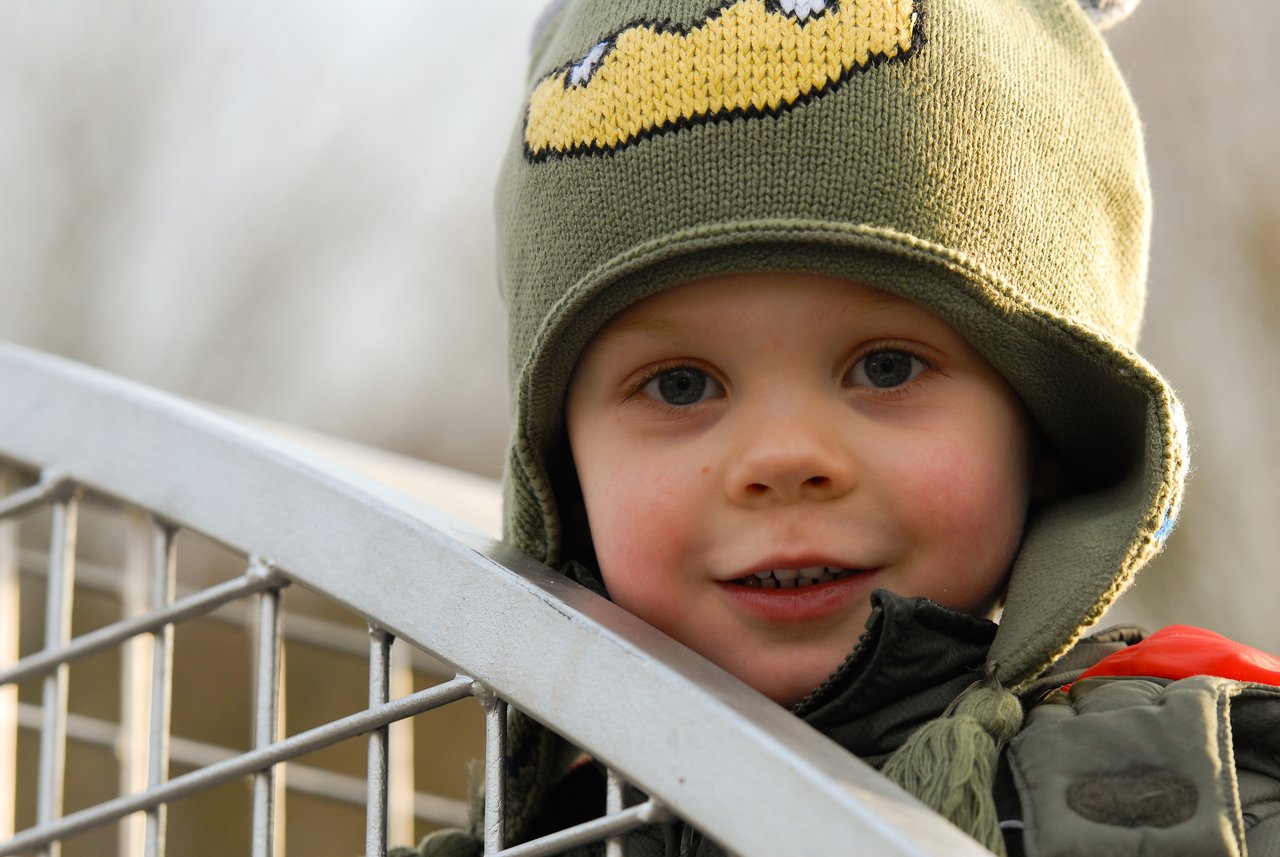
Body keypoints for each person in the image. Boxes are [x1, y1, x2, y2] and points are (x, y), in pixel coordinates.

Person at [402, 0, 1280, 854]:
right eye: (679, 384)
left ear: (1049, 424)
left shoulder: (1211, 785)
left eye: (886, 367)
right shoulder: (564, 835)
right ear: (562, 473)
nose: (784, 458)